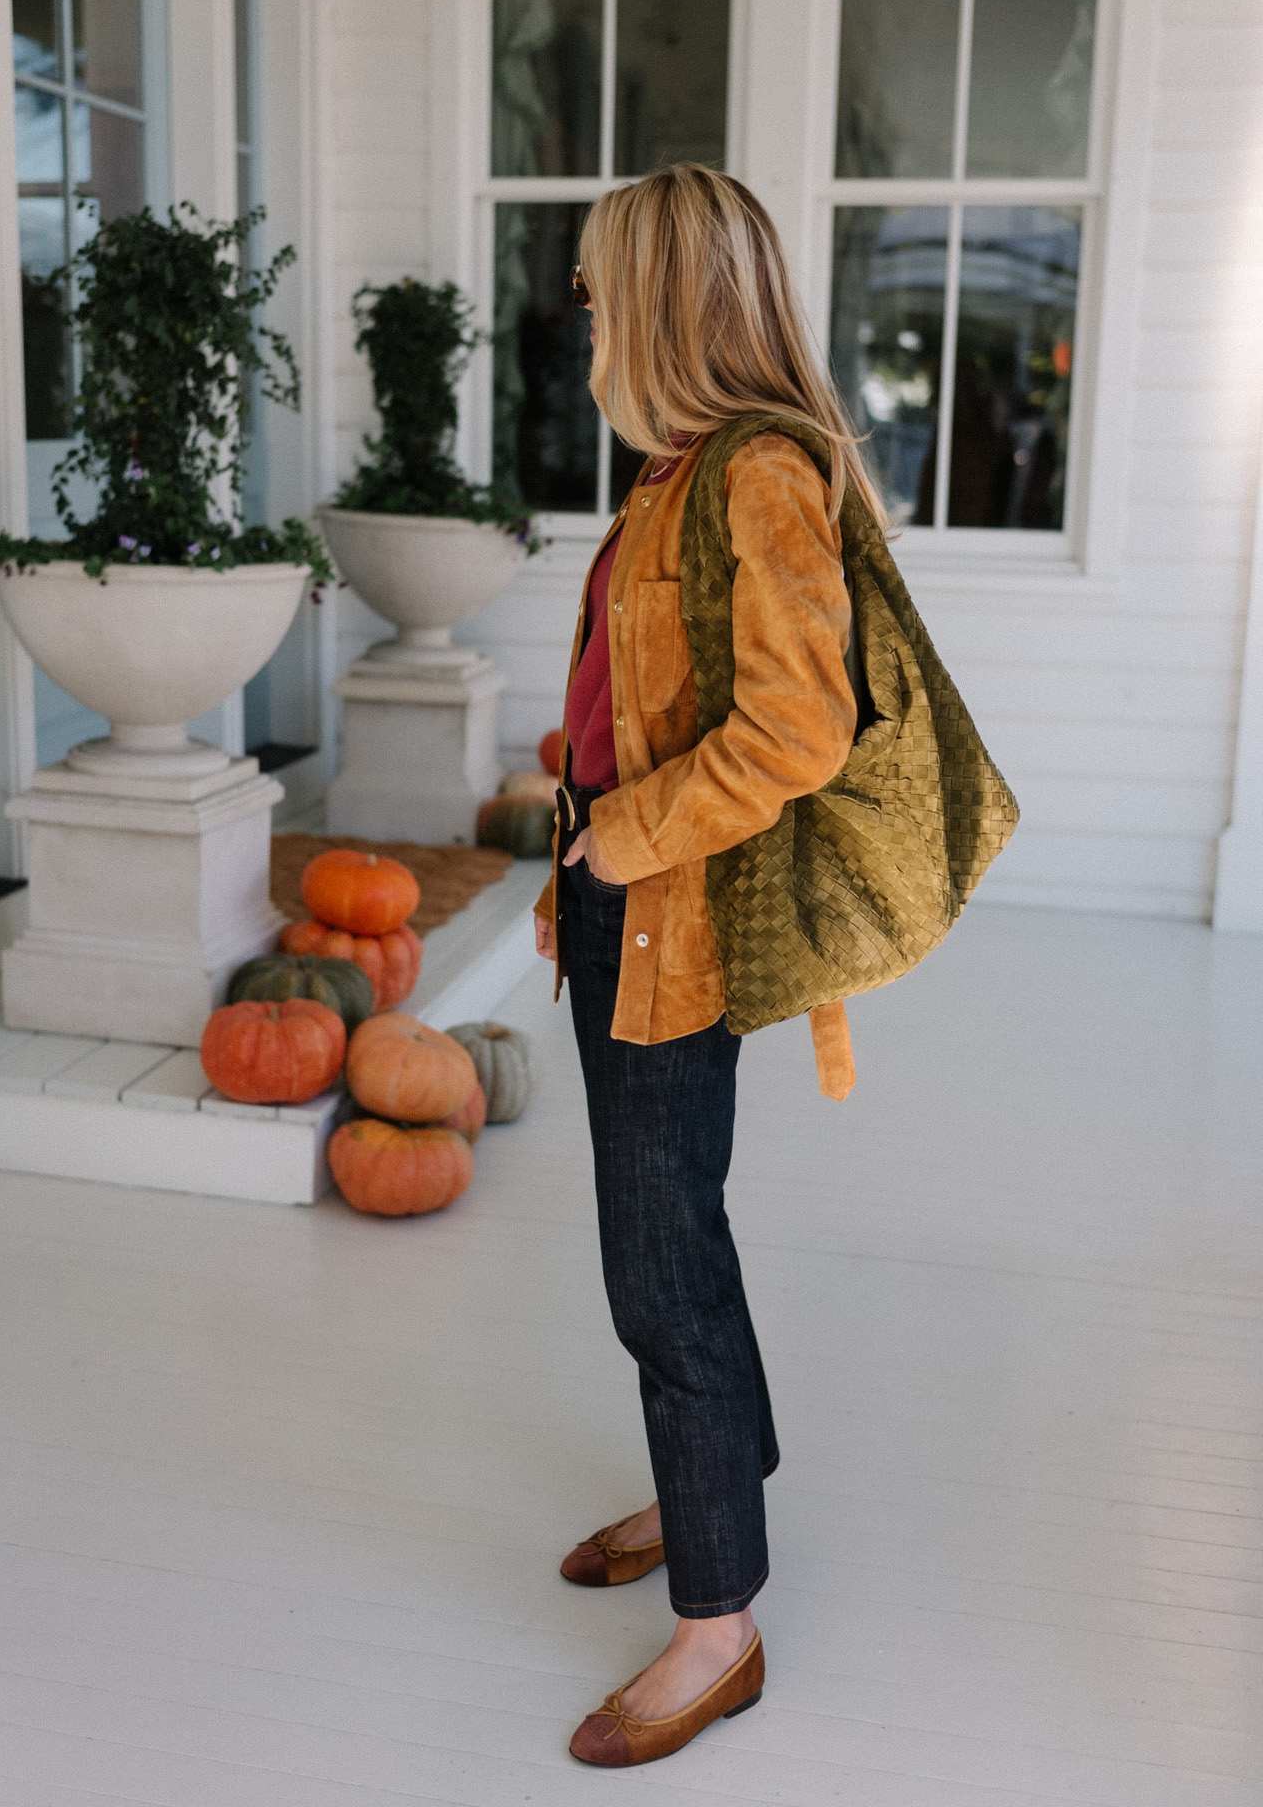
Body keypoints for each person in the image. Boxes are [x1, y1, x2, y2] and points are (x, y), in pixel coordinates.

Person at [533, 163, 889, 1768]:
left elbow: (801, 729)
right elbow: (638, 685)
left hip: (664, 901)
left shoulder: (760, 477)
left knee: (657, 1252)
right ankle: (710, 1495)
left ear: (670, 305)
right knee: (666, 1221)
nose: (588, 313)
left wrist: (624, 838)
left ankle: (718, 1625)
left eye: (606, 287)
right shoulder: (676, 472)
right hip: (621, 891)